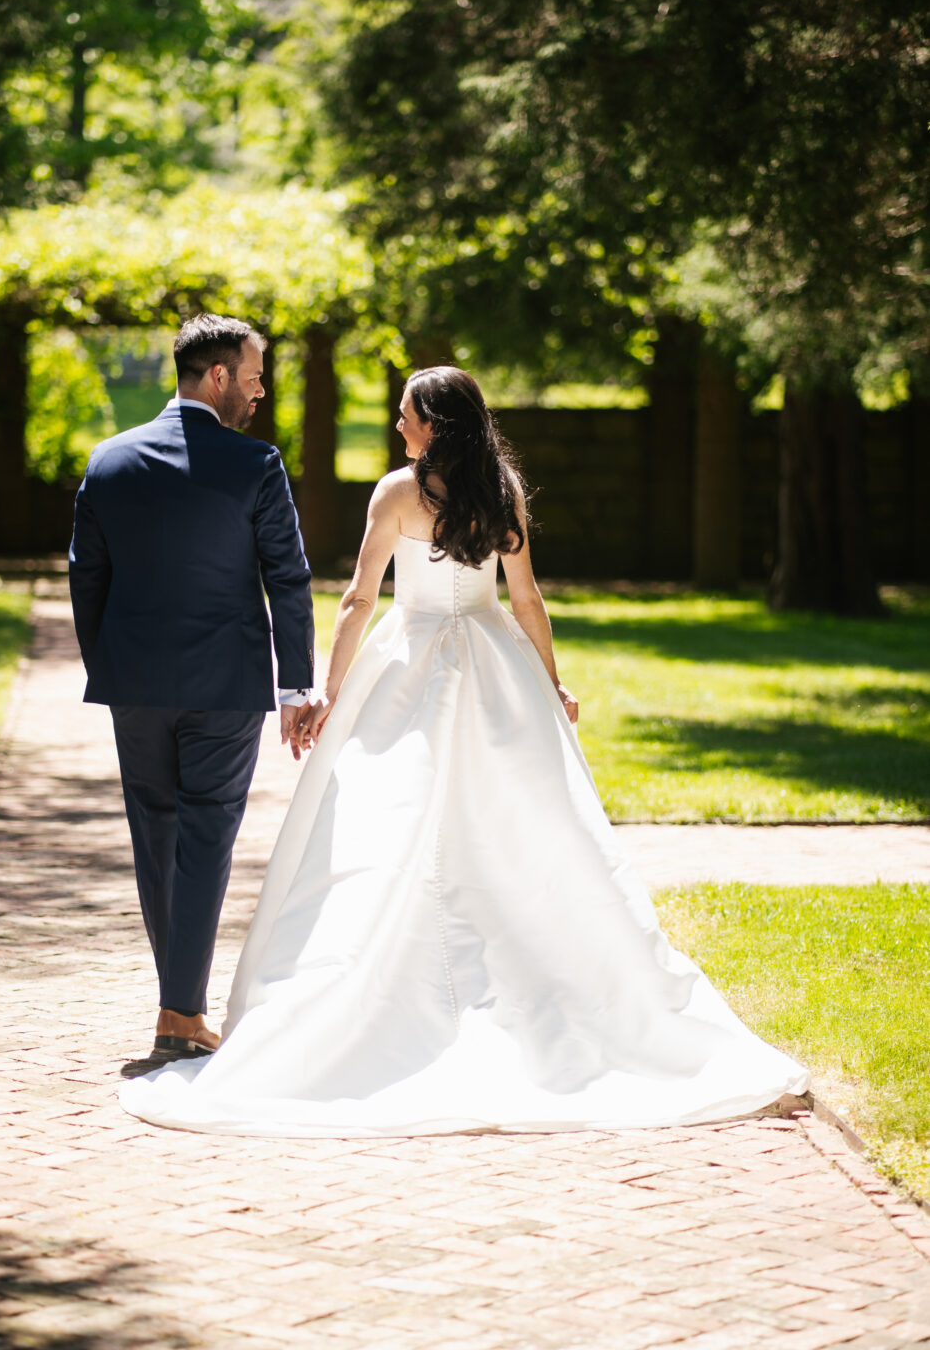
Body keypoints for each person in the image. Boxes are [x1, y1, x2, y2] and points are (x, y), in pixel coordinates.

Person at [120, 366, 808, 1134]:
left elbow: (357, 599)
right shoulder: (502, 490)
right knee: (510, 829)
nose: (397, 428)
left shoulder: (396, 493)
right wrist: (549, 685)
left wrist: (330, 692)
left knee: (388, 829)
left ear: (435, 425)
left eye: (407, 417)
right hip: (495, 664)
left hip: (406, 661)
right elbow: (525, 599)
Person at [69, 314, 314, 1061]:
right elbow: (288, 579)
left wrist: (106, 666)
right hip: (225, 682)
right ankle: (180, 1013)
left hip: (136, 683)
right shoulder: (256, 465)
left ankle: (179, 1006)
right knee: (206, 836)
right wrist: (295, 688)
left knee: (156, 836)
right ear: (217, 377)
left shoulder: (108, 462)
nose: (260, 390)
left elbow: (87, 576)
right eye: (252, 375)